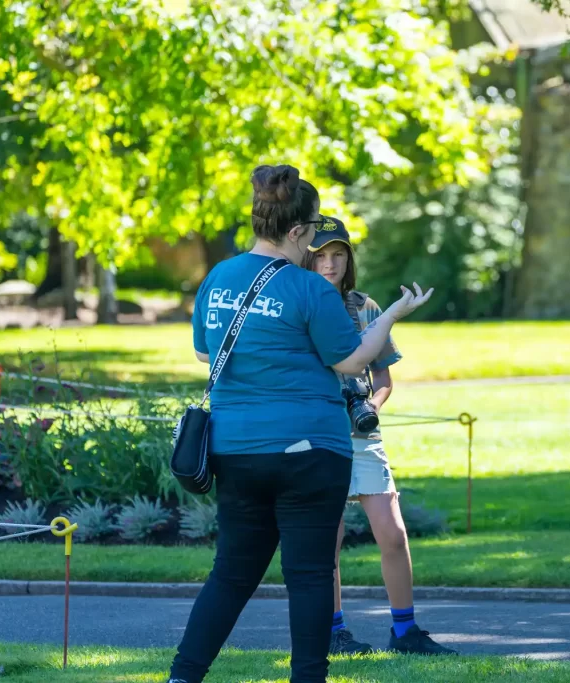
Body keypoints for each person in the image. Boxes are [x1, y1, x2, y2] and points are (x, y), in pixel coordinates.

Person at [167, 164, 433, 683]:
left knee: (231, 575)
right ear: (295, 232)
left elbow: (204, 351)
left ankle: (183, 677)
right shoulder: (308, 290)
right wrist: (393, 314)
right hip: (310, 451)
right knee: (310, 577)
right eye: (312, 234)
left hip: (236, 449)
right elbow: (354, 361)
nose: (314, 247)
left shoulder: (217, 277)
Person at [301, 216, 458, 657]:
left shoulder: (365, 307)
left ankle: (405, 632)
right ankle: (333, 632)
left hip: (361, 435)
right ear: (307, 260)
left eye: (337, 255)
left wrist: (372, 406)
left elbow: (383, 377)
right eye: (320, 256)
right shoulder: (299, 305)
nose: (329, 264)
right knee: (325, 541)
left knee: (392, 533)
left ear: (348, 259)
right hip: (317, 435)